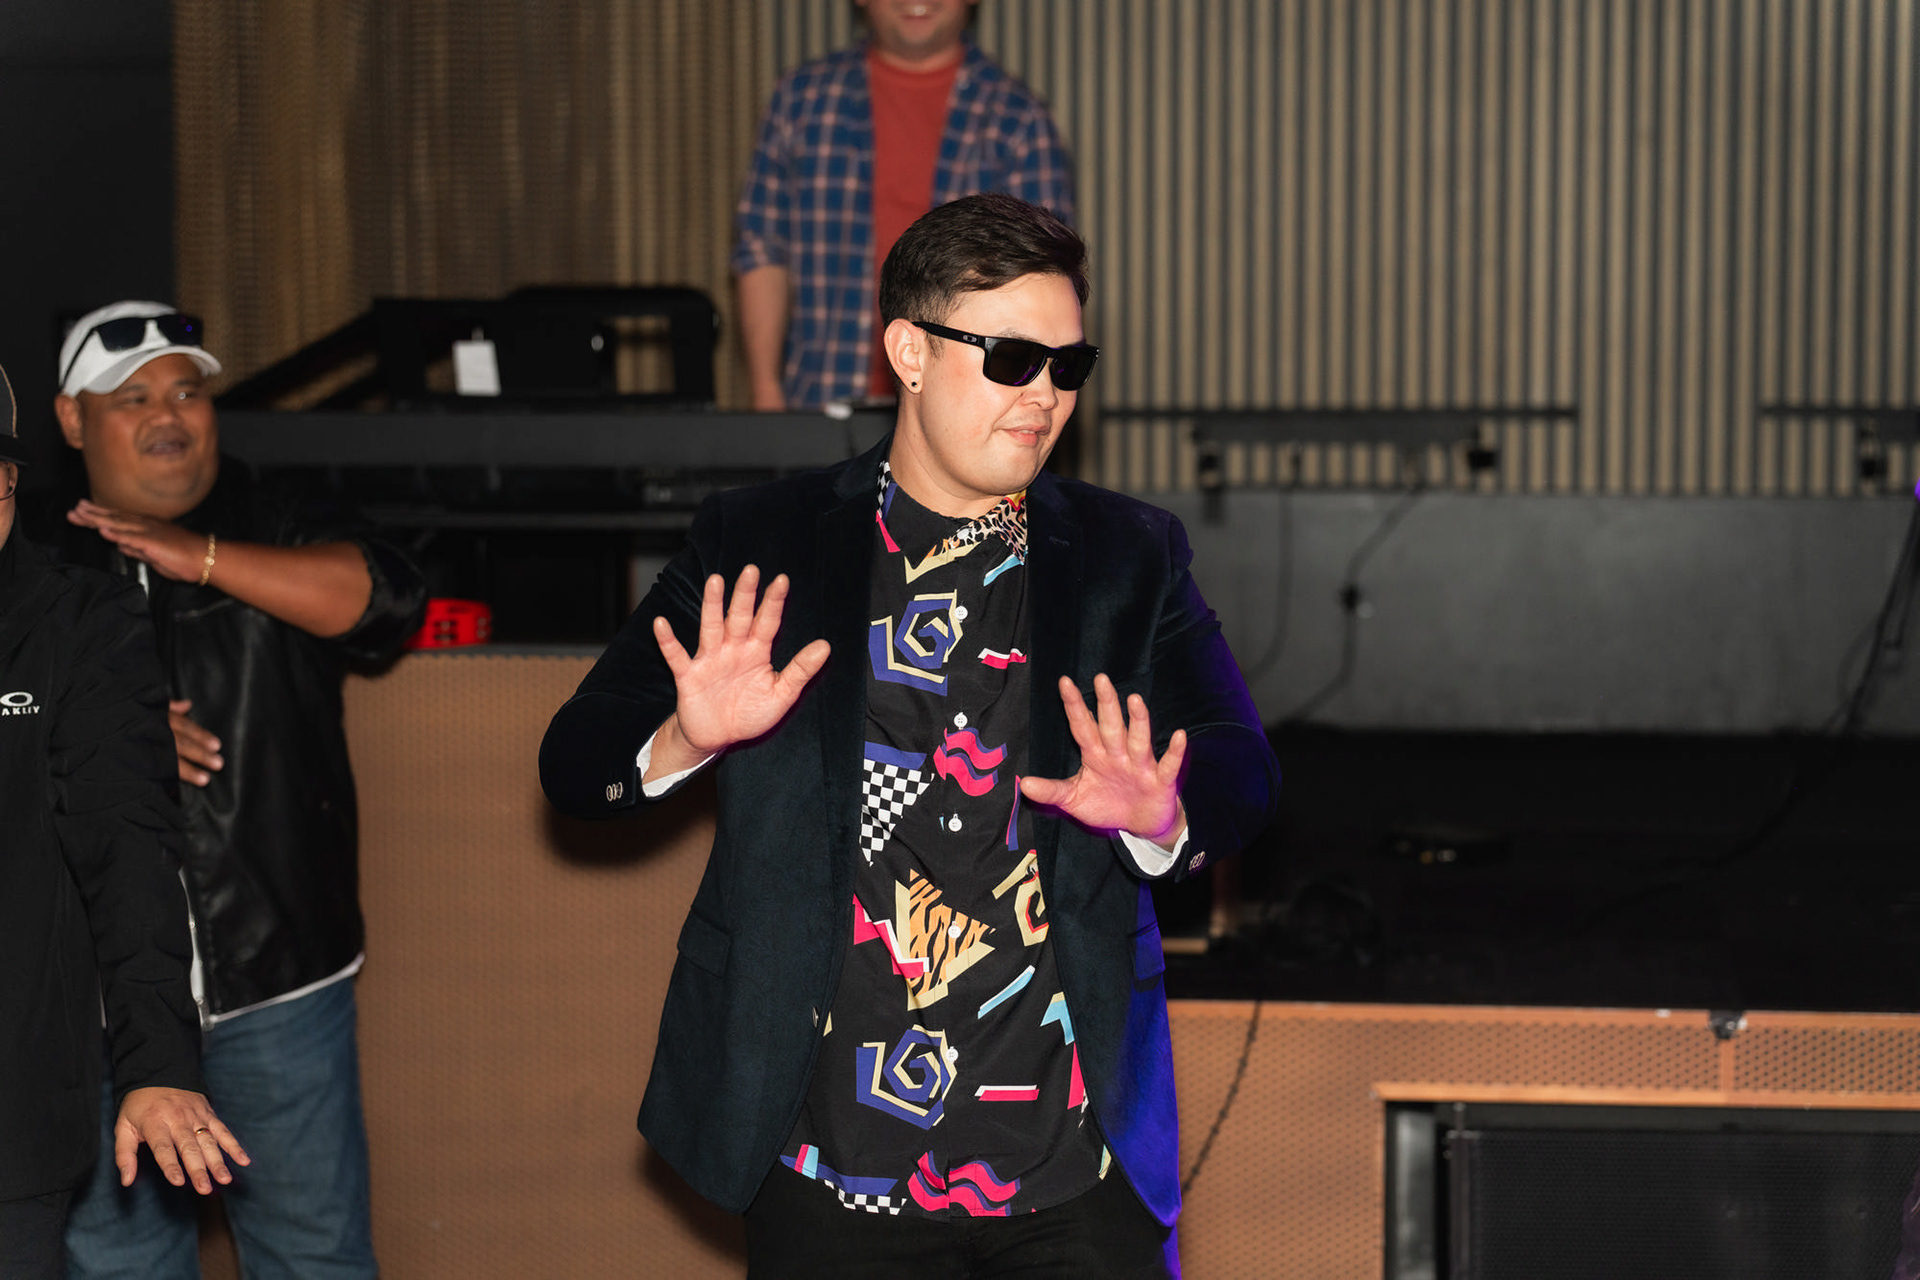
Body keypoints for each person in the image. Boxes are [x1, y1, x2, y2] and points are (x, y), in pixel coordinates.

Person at [543, 194, 1278, 1277]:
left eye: (1068, 366)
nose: (1045, 396)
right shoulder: (762, 542)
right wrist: (686, 738)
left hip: (1075, 1173)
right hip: (829, 1164)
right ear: (910, 353)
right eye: (1013, 359)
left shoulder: (1129, 554)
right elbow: (576, 764)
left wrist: (1163, 815)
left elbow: (1243, 766)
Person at [39, 302, 426, 1278]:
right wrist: (99, 741)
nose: (168, 415)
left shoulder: (272, 512)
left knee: (315, 1258)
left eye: (187, 392)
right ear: (73, 420)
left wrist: (200, 556)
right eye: (132, 398)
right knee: (119, 1267)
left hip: (275, 976)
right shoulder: (36, 550)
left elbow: (386, 598)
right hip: (89, 999)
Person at [0, 360, 246, 1279]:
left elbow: (129, 850)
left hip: (12, 1126)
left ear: (10, 483)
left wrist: (157, 1062)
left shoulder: (77, 623)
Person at [735, 0, 1076, 411]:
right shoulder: (800, 101)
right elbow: (761, 249)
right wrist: (765, 391)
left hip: (963, 410)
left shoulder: (1019, 118)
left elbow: (1046, 281)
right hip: (817, 397)